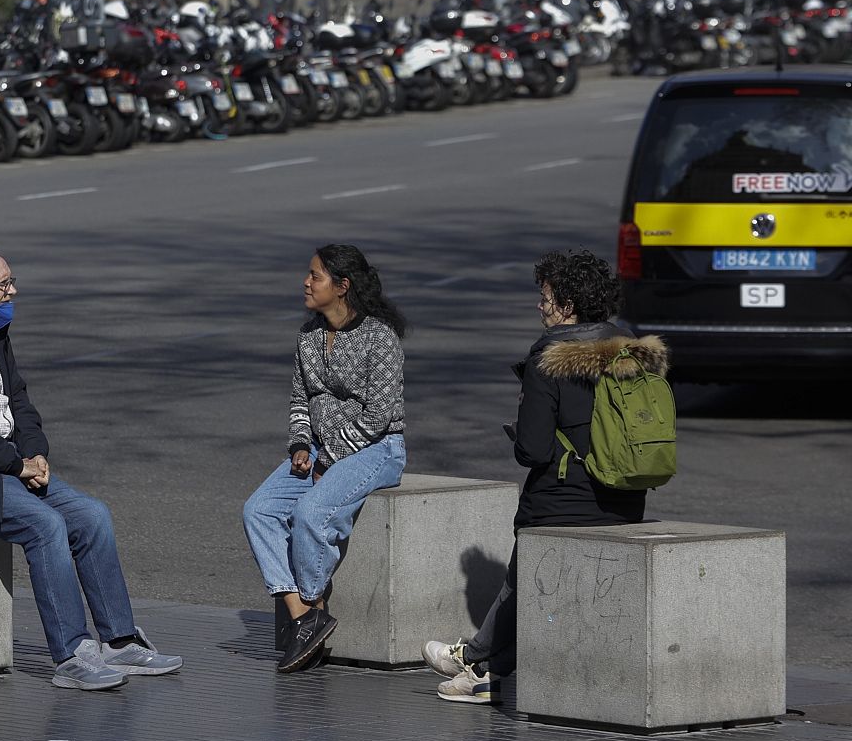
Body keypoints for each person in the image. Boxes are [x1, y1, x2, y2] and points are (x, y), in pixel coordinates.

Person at [0, 251, 183, 691]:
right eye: (5, 286)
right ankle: (71, 654)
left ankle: (120, 642)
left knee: (92, 515)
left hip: (8, 462)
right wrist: (17, 464)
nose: (13, 292)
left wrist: (35, 451)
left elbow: (19, 399)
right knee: (46, 525)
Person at [423, 250, 663, 705]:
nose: (540, 305)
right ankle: (482, 665)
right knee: (526, 581)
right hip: (627, 499)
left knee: (524, 575)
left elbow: (531, 451)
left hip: (564, 501)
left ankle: (479, 663)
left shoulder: (550, 361)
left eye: (546, 297)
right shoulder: (633, 352)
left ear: (568, 305)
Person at [242, 244, 408, 674]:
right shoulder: (308, 335)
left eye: (315, 276)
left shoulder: (379, 338)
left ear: (343, 286)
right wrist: (300, 446)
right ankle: (305, 616)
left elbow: (379, 415)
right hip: (316, 450)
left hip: (376, 449)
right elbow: (300, 400)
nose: (306, 282)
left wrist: (330, 456)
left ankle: (311, 606)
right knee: (258, 510)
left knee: (312, 512)